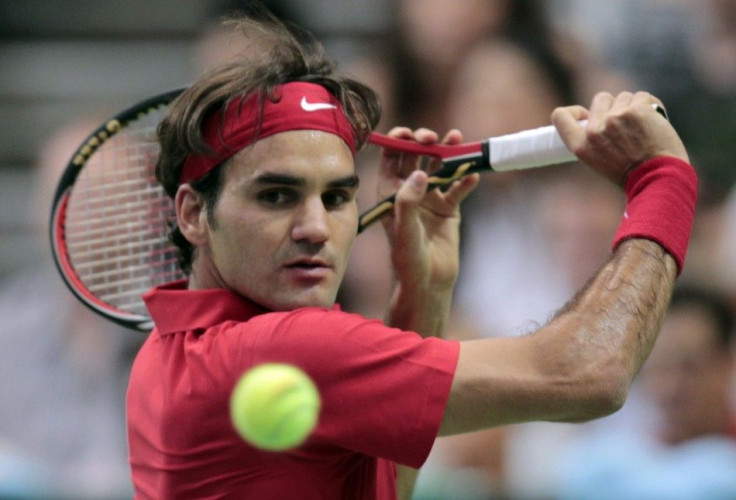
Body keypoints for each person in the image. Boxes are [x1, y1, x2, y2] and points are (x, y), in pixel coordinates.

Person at [126, 11, 698, 499]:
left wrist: (421, 294)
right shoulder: (282, 347)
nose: (316, 228)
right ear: (193, 213)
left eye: (337, 196)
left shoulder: (160, 355)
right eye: (276, 196)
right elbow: (587, 373)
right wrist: (662, 180)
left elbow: (379, 485)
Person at [556, 285, 736, 499]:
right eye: (660, 367)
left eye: (689, 367)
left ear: (727, 364)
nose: (672, 388)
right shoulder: (609, 464)